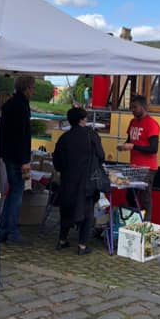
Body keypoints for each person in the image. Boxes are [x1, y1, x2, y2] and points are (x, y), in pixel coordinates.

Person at [52, 106, 105, 256]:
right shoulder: (91, 135)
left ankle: (62, 240)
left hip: (68, 180)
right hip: (87, 180)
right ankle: (82, 245)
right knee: (87, 210)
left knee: (67, 209)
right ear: (83, 120)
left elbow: (57, 162)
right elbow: (101, 156)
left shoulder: (64, 138)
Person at [0, 74, 35, 244]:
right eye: (32, 88)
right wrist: (25, 159)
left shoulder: (10, 105)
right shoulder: (21, 106)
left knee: (12, 192)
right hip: (17, 156)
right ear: (27, 88)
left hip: (8, 154)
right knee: (16, 194)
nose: (33, 92)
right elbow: (22, 135)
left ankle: (3, 229)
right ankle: (11, 230)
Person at [116, 93, 160, 217]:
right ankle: (135, 218)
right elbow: (130, 140)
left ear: (143, 107)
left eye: (135, 107)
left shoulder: (151, 124)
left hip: (148, 168)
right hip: (134, 166)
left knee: (145, 197)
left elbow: (153, 149)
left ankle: (146, 223)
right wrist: (124, 146)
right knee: (130, 195)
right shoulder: (132, 122)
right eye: (132, 107)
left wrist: (133, 146)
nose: (132, 110)